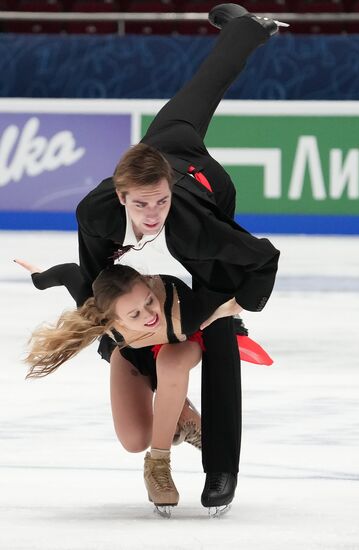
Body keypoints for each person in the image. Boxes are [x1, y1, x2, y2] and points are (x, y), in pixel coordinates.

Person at [74, 4, 282, 510]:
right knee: (132, 331)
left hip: (206, 197)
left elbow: (263, 257)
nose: (151, 214)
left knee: (217, 333)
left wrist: (235, 307)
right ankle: (244, 27)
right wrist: (111, 340)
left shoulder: (198, 227)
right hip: (163, 146)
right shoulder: (96, 216)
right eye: (141, 204)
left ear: (169, 188)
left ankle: (222, 467)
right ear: (121, 196)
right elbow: (95, 284)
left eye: (160, 201)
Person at [16, 259, 243, 515]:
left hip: (179, 343)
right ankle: (181, 415)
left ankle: (158, 465)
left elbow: (231, 294)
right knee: (135, 440)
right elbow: (69, 271)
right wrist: (39, 278)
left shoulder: (186, 310)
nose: (149, 315)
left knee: (169, 363)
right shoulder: (97, 314)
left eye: (148, 301)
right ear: (110, 319)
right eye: (134, 314)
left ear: (148, 284)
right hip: (131, 352)